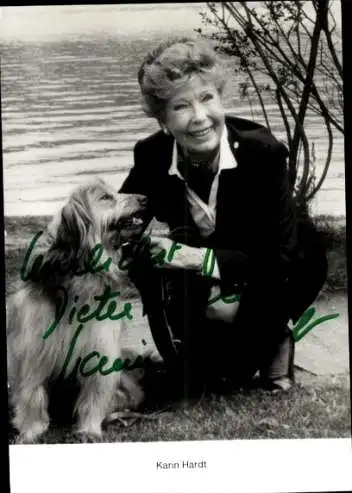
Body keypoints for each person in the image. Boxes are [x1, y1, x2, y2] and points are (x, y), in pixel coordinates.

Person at [119, 37, 327, 397]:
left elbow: (279, 255)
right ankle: (214, 343)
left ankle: (277, 332)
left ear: (220, 99)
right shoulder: (151, 155)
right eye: (181, 106)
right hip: (209, 274)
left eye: (207, 98)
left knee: (247, 349)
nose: (200, 118)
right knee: (205, 383)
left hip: (278, 270)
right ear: (163, 119)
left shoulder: (264, 153)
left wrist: (193, 258)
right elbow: (121, 222)